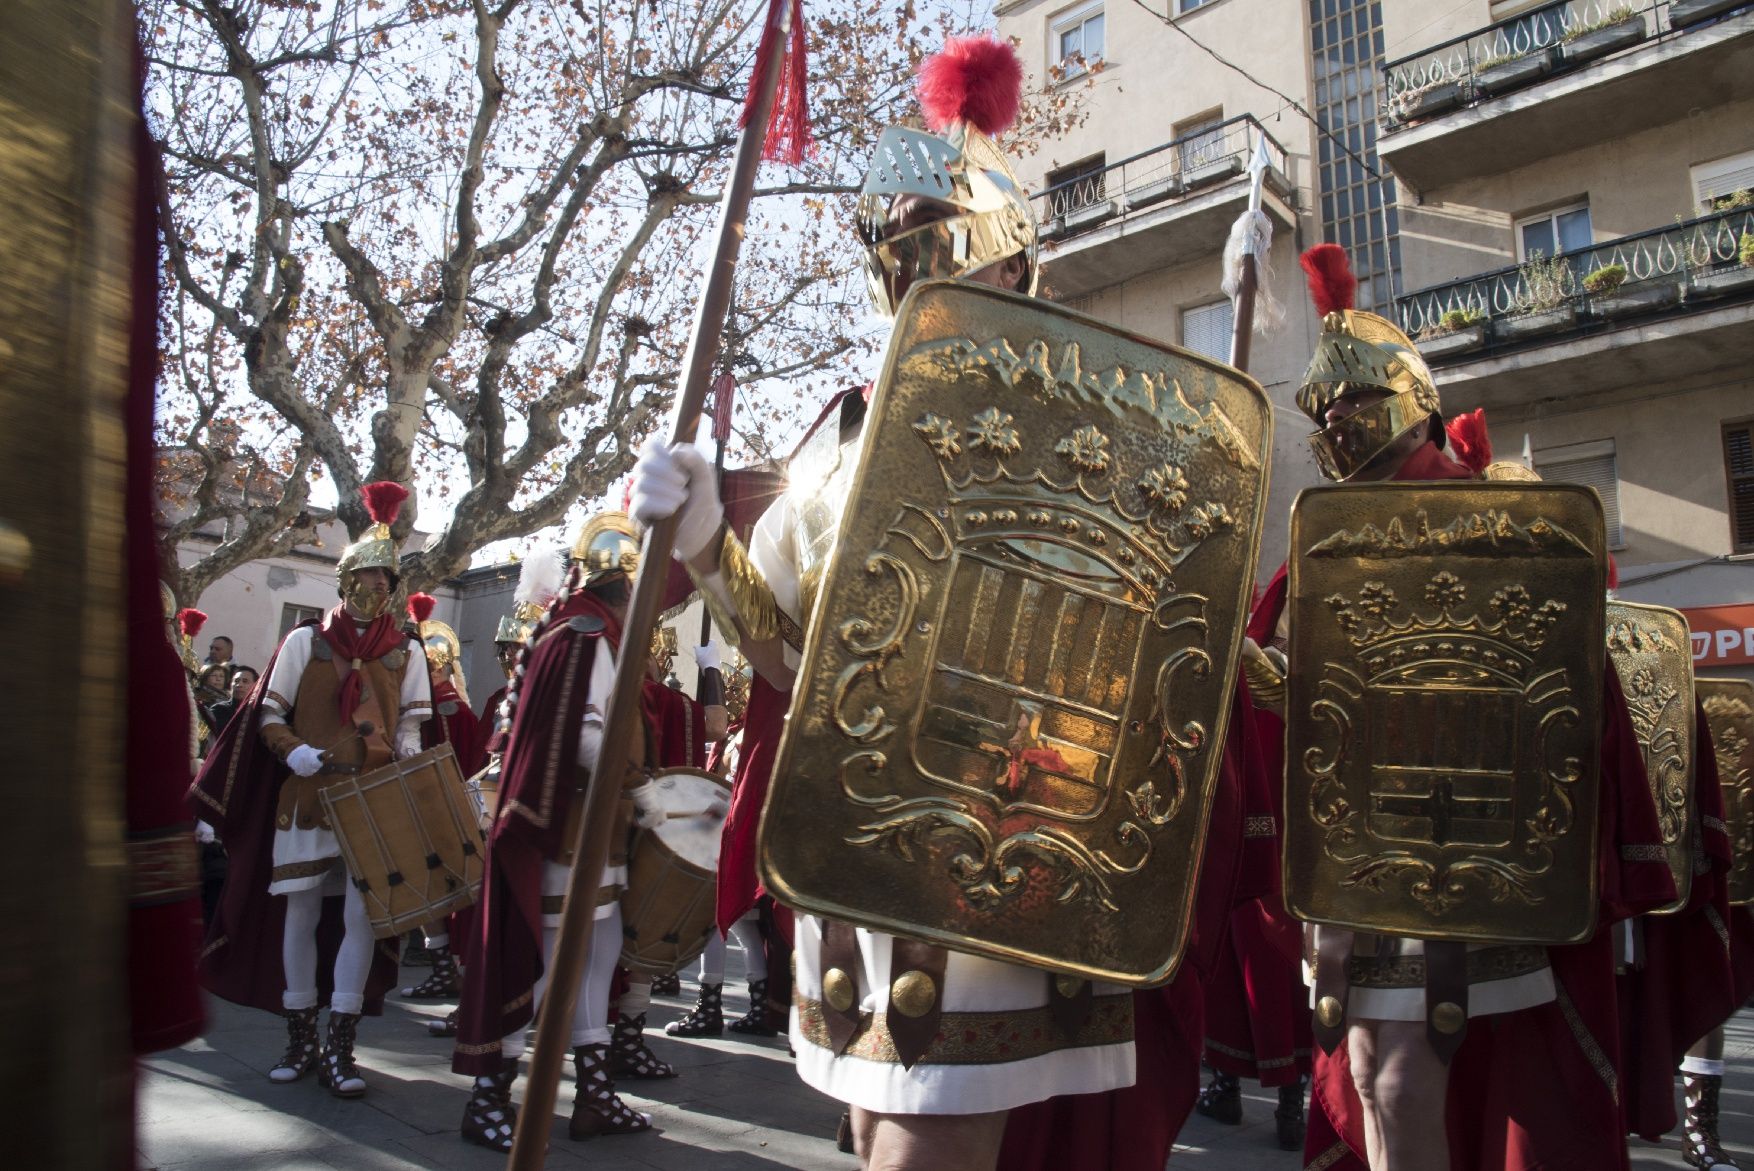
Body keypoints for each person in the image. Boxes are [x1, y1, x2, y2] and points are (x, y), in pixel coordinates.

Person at [632, 37, 1144, 1169]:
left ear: (1012, 260)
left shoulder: (1087, 422)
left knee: (921, 1140)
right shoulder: (841, 441)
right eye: (899, 247)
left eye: (939, 239)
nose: (918, 268)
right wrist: (710, 538)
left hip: (992, 853)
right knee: (871, 1135)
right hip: (851, 855)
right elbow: (785, 661)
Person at [1250, 246, 1676, 1171]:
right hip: (1357, 862)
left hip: (1473, 855)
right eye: (1323, 412)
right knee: (1373, 1080)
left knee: (1405, 1083)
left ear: (1412, 400)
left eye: (1355, 402)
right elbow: (1288, 712)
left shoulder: (1503, 519)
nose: (1337, 423)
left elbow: (1570, 690)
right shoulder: (1313, 551)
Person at [190, 481, 429, 1100]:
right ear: (346, 581)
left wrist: (403, 753)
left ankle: (340, 1045)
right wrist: (292, 750)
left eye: (386, 583)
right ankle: (299, 1036)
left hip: (373, 804)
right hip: (306, 798)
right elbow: (267, 713)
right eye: (367, 579)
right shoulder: (305, 641)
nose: (376, 590)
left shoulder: (407, 655)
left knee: (359, 917)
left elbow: (412, 725)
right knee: (299, 911)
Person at [452, 512, 670, 1151]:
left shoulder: (577, 628)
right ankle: (488, 1096)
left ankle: (595, 1094)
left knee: (596, 956)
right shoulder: (587, 636)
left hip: (589, 827)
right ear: (624, 583)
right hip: (564, 825)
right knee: (545, 965)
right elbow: (583, 735)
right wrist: (639, 786)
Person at [400, 593, 481, 1005]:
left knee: (444, 895)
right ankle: (443, 969)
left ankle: (452, 972)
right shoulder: (428, 708)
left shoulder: (448, 711)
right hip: (425, 810)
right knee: (428, 893)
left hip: (444, 812)